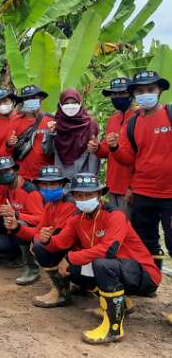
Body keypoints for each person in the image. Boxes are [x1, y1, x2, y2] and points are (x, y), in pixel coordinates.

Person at [33, 173, 161, 344]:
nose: (84, 198)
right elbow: (60, 242)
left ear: (99, 195)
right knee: (73, 267)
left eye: (89, 194)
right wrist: (47, 240)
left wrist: (71, 257)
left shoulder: (115, 215)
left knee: (101, 264)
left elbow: (109, 250)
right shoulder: (77, 219)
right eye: (79, 195)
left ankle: (113, 329)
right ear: (73, 197)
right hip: (117, 269)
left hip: (144, 274)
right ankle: (120, 303)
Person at [111, 70, 172, 272]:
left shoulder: (170, 115)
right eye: (140, 91)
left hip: (169, 194)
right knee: (146, 239)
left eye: (150, 89)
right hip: (143, 192)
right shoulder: (133, 123)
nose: (145, 94)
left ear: (160, 90)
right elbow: (128, 159)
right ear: (134, 95)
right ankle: (152, 279)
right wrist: (114, 148)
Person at [2, 166, 77, 307]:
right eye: (45, 184)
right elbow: (38, 230)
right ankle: (66, 286)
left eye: (53, 184)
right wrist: (17, 227)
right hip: (70, 247)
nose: (48, 188)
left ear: (62, 184)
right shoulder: (50, 205)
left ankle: (61, 292)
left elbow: (58, 237)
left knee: (42, 246)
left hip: (78, 251)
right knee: (39, 242)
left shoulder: (69, 204)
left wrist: (36, 239)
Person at [0, 156, 44, 285]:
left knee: (21, 224)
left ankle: (31, 268)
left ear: (16, 170)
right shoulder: (4, 188)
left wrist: (17, 215)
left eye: (7, 171)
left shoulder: (30, 191)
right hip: (10, 233)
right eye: (0, 172)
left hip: (30, 234)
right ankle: (10, 256)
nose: (3, 174)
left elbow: (41, 219)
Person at [87, 77, 135, 217]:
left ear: (131, 94)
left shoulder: (139, 117)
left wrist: (133, 187)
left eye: (122, 93)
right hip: (113, 184)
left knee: (130, 230)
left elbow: (142, 156)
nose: (117, 97)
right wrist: (97, 148)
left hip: (130, 186)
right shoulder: (113, 119)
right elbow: (107, 150)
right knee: (115, 226)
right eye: (114, 94)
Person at [6, 85, 56, 181]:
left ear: (40, 99)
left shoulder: (51, 121)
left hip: (46, 177)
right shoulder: (15, 121)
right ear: (23, 102)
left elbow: (56, 149)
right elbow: (9, 151)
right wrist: (9, 144)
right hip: (22, 176)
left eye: (33, 98)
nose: (30, 100)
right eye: (27, 98)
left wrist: (53, 133)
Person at [53, 89, 100, 179]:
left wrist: (90, 181)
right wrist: (50, 134)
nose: (70, 106)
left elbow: (93, 157)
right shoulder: (55, 125)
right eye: (66, 103)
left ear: (80, 104)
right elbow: (47, 153)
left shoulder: (90, 125)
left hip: (83, 183)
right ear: (60, 105)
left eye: (74, 102)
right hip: (60, 183)